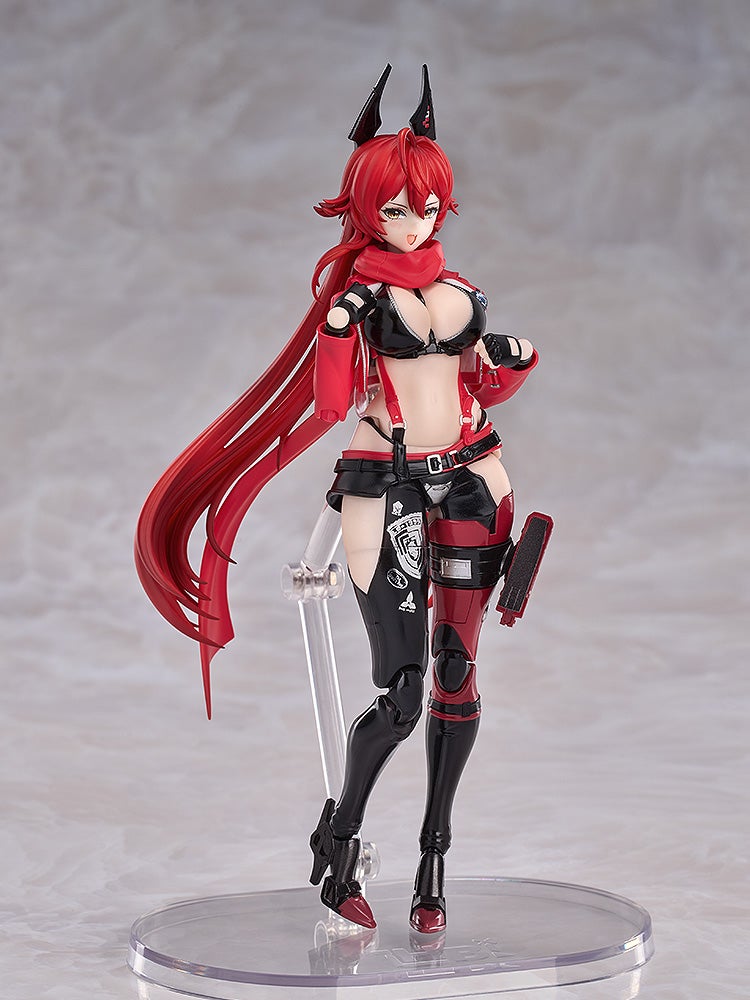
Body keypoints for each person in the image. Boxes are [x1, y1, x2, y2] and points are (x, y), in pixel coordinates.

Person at [135, 65, 539, 935]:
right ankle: (340, 841)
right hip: (385, 484)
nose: (414, 222)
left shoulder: (462, 291)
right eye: (395, 208)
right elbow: (327, 406)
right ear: (364, 207)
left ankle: (433, 863)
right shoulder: (358, 298)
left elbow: (481, 387)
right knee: (403, 691)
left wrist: (511, 360)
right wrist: (333, 332)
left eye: (426, 206)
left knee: (458, 678)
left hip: (474, 476)